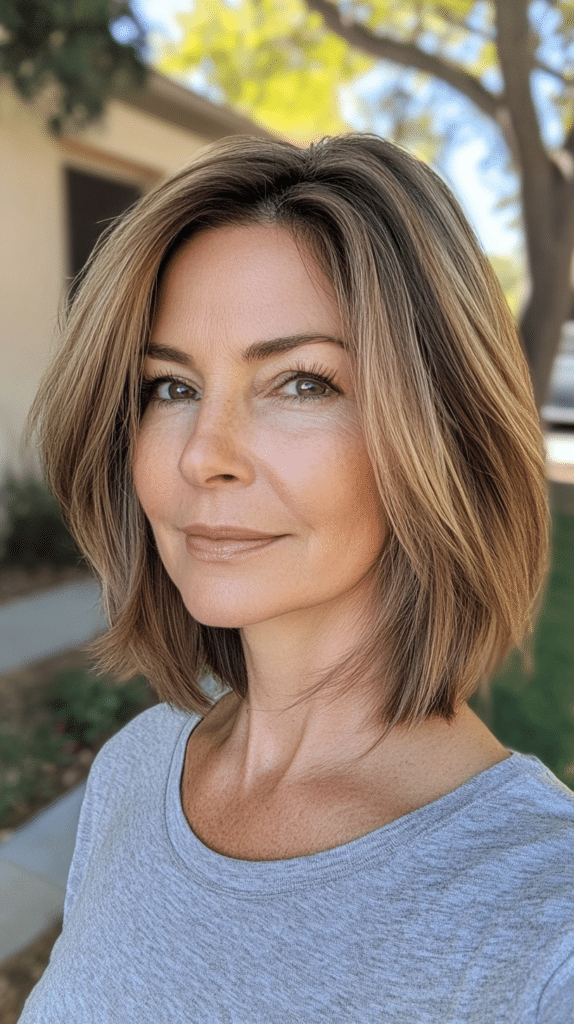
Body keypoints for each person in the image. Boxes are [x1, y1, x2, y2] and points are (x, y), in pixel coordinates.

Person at [19, 133, 573, 1023]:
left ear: (443, 430)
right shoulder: (139, 767)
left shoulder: (543, 930)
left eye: (302, 384)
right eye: (170, 388)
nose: (205, 454)